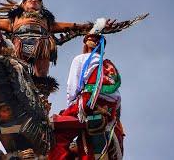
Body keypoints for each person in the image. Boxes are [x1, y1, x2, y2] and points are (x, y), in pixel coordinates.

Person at [48, 20, 124, 160]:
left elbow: (72, 88)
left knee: (57, 129)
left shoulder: (81, 58)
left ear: (87, 44)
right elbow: (117, 98)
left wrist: (70, 107)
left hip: (88, 103)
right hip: (109, 110)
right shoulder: (109, 65)